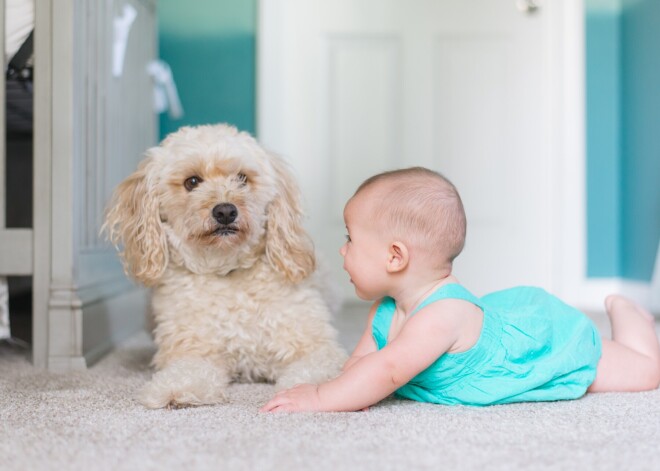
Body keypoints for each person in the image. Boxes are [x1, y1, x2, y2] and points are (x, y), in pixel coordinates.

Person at [261, 167, 660, 412]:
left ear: (395, 257)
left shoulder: (441, 316)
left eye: (351, 240)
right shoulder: (384, 310)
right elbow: (363, 366)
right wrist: (346, 392)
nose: (342, 250)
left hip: (540, 343)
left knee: (646, 373)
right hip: (497, 320)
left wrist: (318, 398)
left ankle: (626, 312)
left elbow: (387, 370)